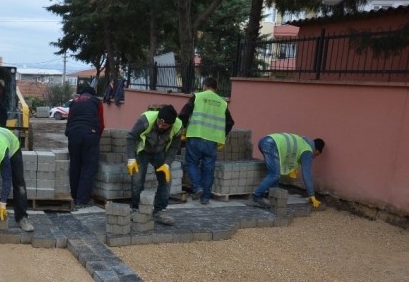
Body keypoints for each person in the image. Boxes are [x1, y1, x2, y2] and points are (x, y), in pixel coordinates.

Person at [178, 77, 235, 205]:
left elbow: (183, 114)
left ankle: (197, 187)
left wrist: (182, 130)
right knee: (208, 169)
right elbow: (230, 122)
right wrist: (222, 135)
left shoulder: (197, 97)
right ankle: (205, 198)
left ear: (204, 86)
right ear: (216, 88)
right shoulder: (222, 103)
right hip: (212, 141)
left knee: (191, 163)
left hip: (195, 136)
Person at [125, 105, 183, 225]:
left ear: (171, 124)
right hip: (143, 151)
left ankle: (160, 211)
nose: (161, 126)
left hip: (160, 153)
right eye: (159, 123)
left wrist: (167, 164)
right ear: (158, 117)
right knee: (137, 181)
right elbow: (130, 137)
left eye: (165, 125)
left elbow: (174, 147)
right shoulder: (146, 120)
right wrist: (131, 159)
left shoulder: (178, 127)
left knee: (166, 180)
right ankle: (136, 209)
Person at [247, 133, 325, 209]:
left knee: (275, 172)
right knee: (274, 174)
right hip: (271, 145)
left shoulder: (302, 142)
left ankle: (272, 194)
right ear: (316, 149)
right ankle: (256, 197)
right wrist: (311, 194)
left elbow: (287, 153)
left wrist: (291, 167)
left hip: (265, 140)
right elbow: (307, 173)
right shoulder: (308, 151)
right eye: (317, 154)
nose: (314, 157)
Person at [65, 86, 104, 209]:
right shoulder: (96, 101)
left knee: (75, 165)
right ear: (93, 93)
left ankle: (74, 196)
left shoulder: (74, 102)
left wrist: (70, 133)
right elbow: (101, 123)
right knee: (88, 167)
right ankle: (82, 201)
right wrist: (97, 135)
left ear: (81, 94)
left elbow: (69, 119)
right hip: (89, 134)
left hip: (73, 133)